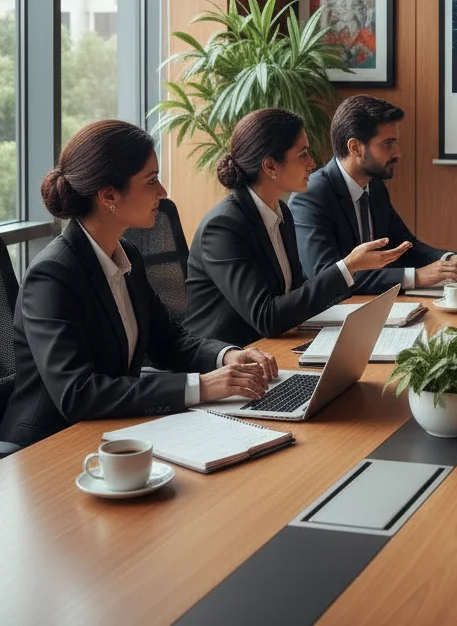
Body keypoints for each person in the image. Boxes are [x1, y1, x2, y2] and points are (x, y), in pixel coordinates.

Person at [0, 120, 276, 449]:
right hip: (49, 444)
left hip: (115, 430)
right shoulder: (52, 275)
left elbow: (167, 340)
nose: (162, 192)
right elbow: (77, 393)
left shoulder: (125, 253)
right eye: (151, 181)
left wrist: (226, 356)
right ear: (108, 195)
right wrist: (201, 387)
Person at [184, 108, 411, 347]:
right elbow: (266, 317)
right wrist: (348, 267)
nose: (312, 163)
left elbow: (295, 294)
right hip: (226, 362)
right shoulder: (223, 227)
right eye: (302, 154)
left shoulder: (282, 213)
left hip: (272, 347)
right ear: (270, 166)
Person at [290, 95, 457, 294]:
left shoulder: (374, 186)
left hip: (375, 303)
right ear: (355, 148)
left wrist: (449, 260)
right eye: (388, 143)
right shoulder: (311, 195)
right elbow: (326, 275)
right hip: (329, 313)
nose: (397, 152)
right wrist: (417, 276)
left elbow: (404, 245)